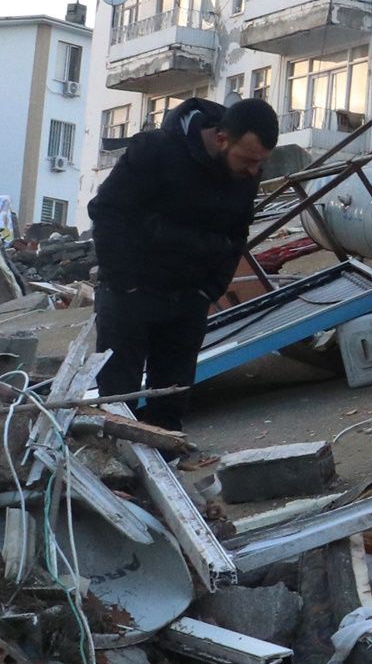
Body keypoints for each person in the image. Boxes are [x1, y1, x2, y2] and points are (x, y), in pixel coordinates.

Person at [87, 95, 278, 433]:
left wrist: (209, 290)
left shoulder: (245, 174)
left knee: (170, 408)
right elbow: (106, 210)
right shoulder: (154, 151)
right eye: (248, 160)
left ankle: (164, 474)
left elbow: (237, 236)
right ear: (221, 139)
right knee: (118, 405)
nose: (253, 171)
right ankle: (114, 479)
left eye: (259, 163)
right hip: (130, 295)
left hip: (188, 300)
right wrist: (122, 282)